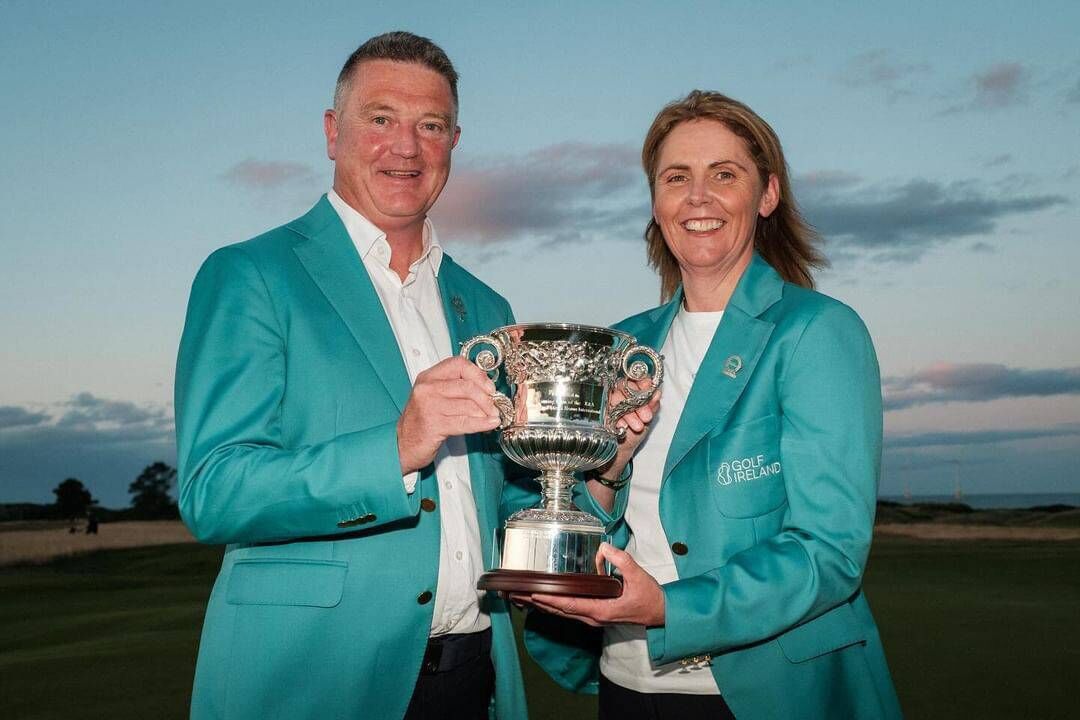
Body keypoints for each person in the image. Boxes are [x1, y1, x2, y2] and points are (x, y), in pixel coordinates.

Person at [175, 32, 528, 720]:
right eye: (380, 119)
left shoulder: (487, 308)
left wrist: (599, 466)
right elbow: (214, 490)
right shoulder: (251, 275)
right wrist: (396, 448)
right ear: (334, 132)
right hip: (311, 683)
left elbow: (502, 502)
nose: (406, 146)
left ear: (455, 140)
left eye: (430, 125)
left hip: (472, 677)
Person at [519, 91, 903, 719]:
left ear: (767, 195)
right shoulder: (622, 344)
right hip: (628, 686)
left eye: (725, 174)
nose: (698, 197)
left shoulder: (816, 331)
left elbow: (830, 549)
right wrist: (609, 471)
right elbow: (587, 510)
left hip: (760, 697)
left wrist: (672, 608)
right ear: (656, 201)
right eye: (677, 177)